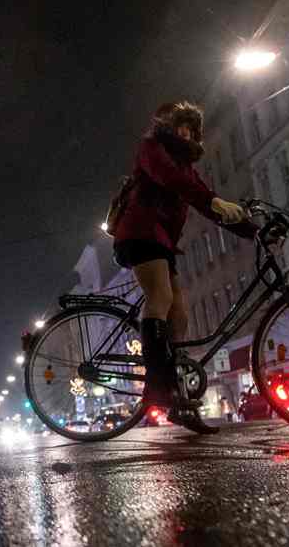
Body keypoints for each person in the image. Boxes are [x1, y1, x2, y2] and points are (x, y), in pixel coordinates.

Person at [112, 101, 256, 434]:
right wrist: (213, 201)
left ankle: (175, 393)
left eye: (191, 130)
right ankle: (157, 386)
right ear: (168, 127)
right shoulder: (152, 149)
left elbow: (202, 196)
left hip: (161, 240)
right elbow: (173, 180)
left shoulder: (184, 164)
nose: (186, 133)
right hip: (140, 233)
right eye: (181, 127)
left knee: (180, 312)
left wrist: (251, 231)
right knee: (160, 297)